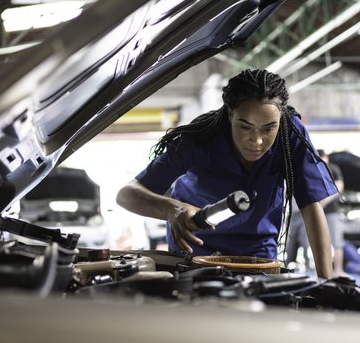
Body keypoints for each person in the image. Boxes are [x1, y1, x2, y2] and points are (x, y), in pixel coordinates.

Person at [116, 69, 338, 278]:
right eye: (245, 126)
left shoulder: (290, 134)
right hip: (195, 254)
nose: (257, 140)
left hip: (258, 258)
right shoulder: (199, 139)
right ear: (230, 115)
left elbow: (310, 207)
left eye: (268, 128)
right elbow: (127, 195)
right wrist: (173, 210)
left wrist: (326, 283)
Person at [318, 149, 346, 276]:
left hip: (332, 211)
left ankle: (338, 270)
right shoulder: (315, 170)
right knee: (322, 243)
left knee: (336, 242)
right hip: (320, 212)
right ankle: (324, 270)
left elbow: (339, 188)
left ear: (326, 157)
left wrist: (324, 202)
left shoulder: (333, 168)